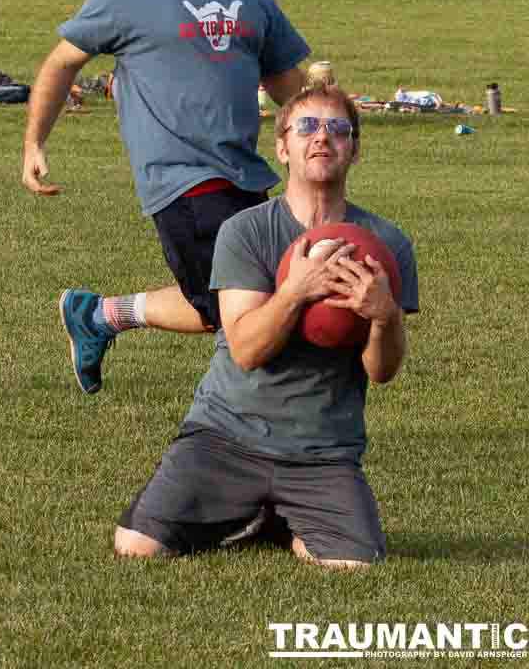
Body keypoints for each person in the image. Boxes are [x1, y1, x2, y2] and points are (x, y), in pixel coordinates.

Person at [22, 0, 310, 394]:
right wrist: (35, 141)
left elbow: (285, 79)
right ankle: (250, 423)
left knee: (223, 307)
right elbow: (61, 63)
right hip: (181, 177)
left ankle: (99, 316)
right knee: (245, 306)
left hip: (248, 174)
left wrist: (320, 134)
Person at [114, 81, 419, 566]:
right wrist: (297, 289)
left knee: (356, 565)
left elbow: (381, 372)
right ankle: (252, 508)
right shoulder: (247, 231)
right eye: (307, 127)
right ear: (282, 147)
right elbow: (246, 350)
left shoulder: (386, 245)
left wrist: (384, 317)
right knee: (136, 548)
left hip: (322, 451)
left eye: (339, 129)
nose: (323, 138)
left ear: (354, 150)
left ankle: (280, 517)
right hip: (224, 437)